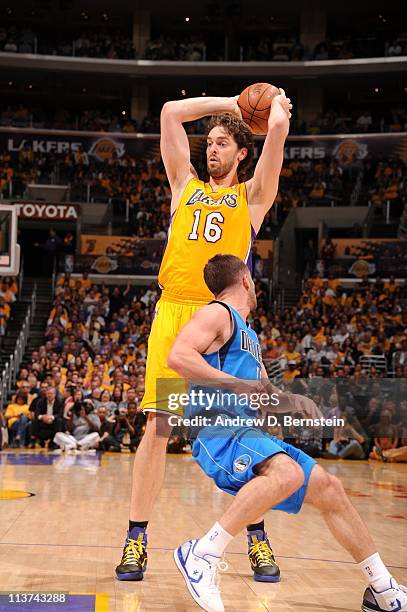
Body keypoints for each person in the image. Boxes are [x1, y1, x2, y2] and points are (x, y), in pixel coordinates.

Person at [116, 89, 292, 580]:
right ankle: (136, 540)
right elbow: (170, 112)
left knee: (244, 432)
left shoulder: (251, 198)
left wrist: (274, 113)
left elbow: (276, 134)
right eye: (208, 142)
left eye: (221, 143)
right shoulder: (183, 187)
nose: (210, 149)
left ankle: (256, 538)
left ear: (240, 153)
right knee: (159, 428)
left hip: (222, 322)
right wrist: (236, 104)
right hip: (175, 318)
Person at [167, 254, 407, 612]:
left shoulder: (248, 335)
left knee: (330, 488)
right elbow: (178, 356)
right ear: (245, 280)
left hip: (245, 430)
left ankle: (382, 588)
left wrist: (291, 401)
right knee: (288, 472)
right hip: (217, 429)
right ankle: (201, 554)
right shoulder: (217, 313)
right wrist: (235, 385)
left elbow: (261, 393)